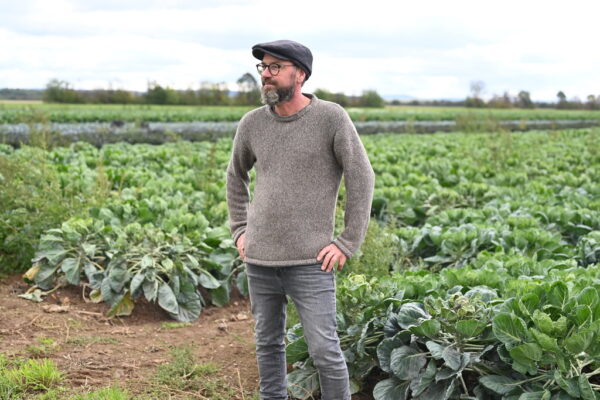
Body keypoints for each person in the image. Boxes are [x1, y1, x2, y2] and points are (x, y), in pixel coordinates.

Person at [226, 39, 375, 400]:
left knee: (324, 350)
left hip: (310, 261)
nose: (266, 75)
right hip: (259, 259)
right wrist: (240, 231)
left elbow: (362, 176)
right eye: (263, 67)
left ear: (301, 74)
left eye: (276, 67)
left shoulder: (331, 118)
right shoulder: (252, 124)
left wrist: (346, 242)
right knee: (267, 343)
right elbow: (235, 176)